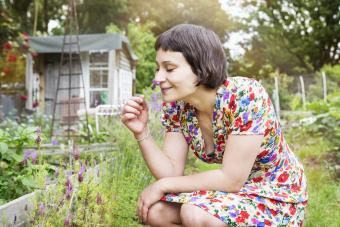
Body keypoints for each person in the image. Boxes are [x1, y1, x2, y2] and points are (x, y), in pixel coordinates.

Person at [121, 24, 308, 227]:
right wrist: (142, 132)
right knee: (157, 213)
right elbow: (171, 173)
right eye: (158, 68)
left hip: (275, 194)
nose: (158, 78)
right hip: (233, 194)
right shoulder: (178, 106)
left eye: (170, 68)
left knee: (195, 214)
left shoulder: (245, 96)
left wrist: (162, 186)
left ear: (201, 68)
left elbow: (231, 179)